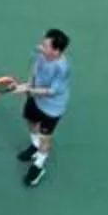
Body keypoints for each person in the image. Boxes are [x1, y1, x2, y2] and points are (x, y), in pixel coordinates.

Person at [11, 29, 70, 188]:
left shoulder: (62, 68)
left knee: (45, 138)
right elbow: (35, 69)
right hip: (36, 98)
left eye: (45, 46)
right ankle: (35, 146)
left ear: (56, 51)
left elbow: (52, 91)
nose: (41, 47)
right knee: (30, 120)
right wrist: (29, 83)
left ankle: (38, 166)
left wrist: (29, 90)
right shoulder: (42, 54)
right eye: (43, 43)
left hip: (52, 109)